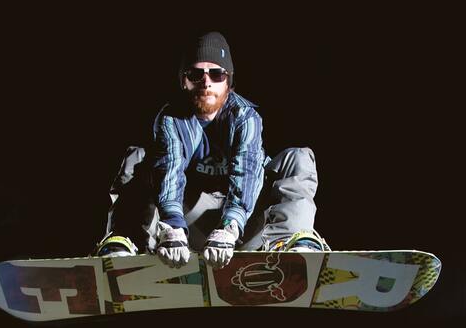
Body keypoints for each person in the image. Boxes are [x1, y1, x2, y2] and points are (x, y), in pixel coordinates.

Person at [95, 31, 328, 269]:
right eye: (196, 74)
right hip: (189, 221)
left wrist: (230, 225)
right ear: (183, 81)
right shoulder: (171, 119)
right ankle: (126, 241)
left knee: (298, 157)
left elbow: (247, 170)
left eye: (216, 74)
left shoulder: (245, 116)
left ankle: (288, 242)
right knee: (138, 158)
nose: (206, 82)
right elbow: (170, 168)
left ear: (229, 82)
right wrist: (173, 225)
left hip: (244, 221)